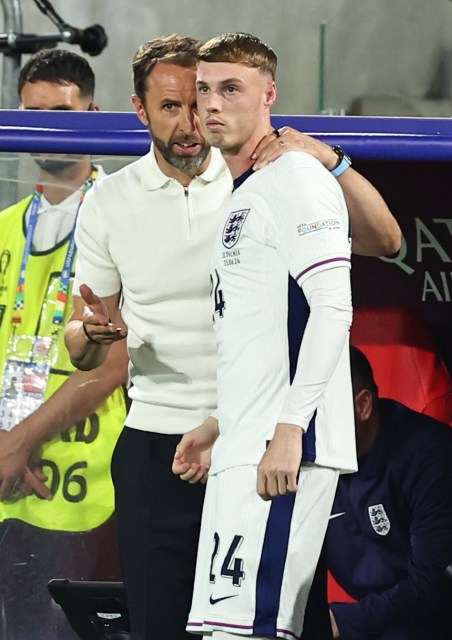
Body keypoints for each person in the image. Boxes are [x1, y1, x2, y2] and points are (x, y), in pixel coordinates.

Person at [65, 34, 402, 640]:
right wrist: (90, 332)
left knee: (273, 623)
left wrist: (330, 158)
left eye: (207, 98)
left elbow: (383, 243)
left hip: (262, 444)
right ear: (139, 110)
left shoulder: (264, 172)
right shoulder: (108, 201)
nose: (195, 119)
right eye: (175, 105)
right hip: (166, 445)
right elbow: (80, 340)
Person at [169, 31, 357, 640]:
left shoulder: (295, 177)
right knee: (228, 632)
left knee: (253, 632)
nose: (212, 105)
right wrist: (222, 423)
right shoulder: (243, 193)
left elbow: (333, 310)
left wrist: (290, 431)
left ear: (268, 93)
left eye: (231, 89)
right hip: (245, 447)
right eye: (203, 91)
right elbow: (263, 336)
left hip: (280, 457)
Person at [0, 46, 128, 640]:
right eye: (31, 112)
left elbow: (112, 366)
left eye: (61, 111)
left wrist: (13, 445)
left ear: (95, 114)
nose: (45, 126)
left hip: (75, 494)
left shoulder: (122, 219)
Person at [325, 345, 452, 639]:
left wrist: (344, 620)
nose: (299, 426)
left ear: (362, 406)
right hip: (392, 609)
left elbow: (434, 582)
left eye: (314, 410)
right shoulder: (306, 459)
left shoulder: (432, 455)